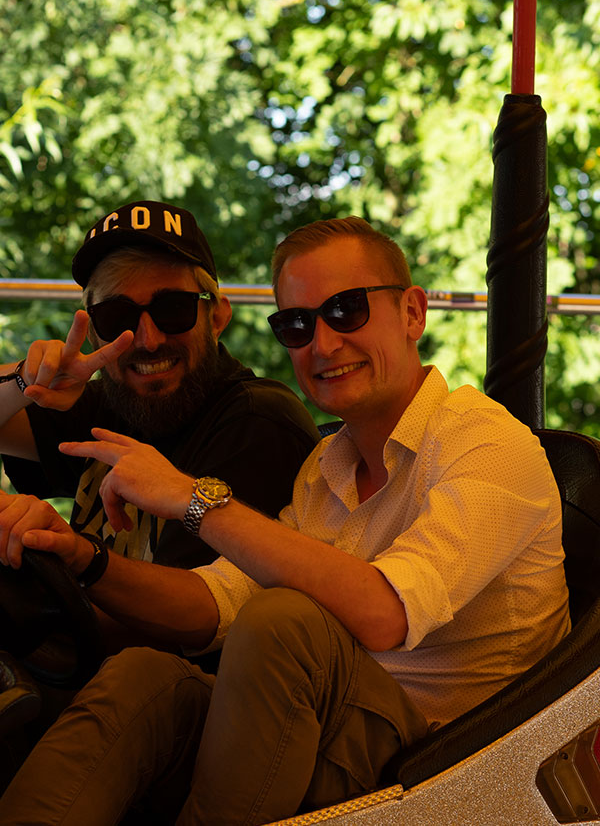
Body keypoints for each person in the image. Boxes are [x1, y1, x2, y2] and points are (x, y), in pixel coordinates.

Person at [0, 216, 570, 826]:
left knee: (286, 620)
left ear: (412, 312)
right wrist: (85, 560)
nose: (323, 345)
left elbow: (385, 611)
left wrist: (191, 498)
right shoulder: (327, 465)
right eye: (297, 325)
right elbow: (222, 601)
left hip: (447, 772)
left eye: (346, 311)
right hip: (322, 733)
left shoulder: (485, 442)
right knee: (147, 675)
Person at [0, 199, 319, 654]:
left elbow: (193, 619)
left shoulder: (254, 423)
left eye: (173, 309)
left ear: (218, 317)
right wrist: (24, 380)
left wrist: (61, 560)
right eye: (117, 318)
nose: (148, 339)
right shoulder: (111, 404)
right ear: (95, 335)